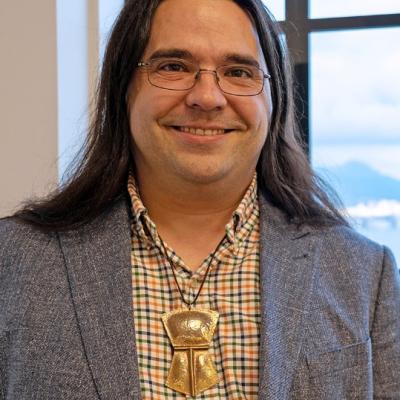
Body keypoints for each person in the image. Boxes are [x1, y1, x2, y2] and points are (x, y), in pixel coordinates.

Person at [1, 0, 399, 398]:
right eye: (174, 66)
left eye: (238, 72)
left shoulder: (365, 274)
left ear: (273, 101)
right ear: (123, 88)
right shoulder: (14, 261)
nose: (207, 97)